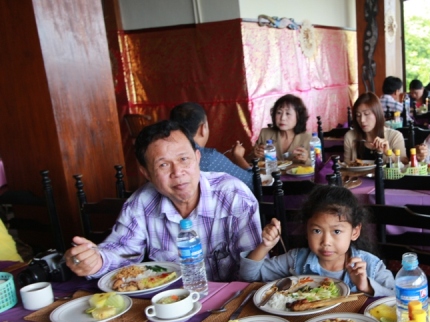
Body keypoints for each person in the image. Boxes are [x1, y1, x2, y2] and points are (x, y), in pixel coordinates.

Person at [63, 120, 262, 281]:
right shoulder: (141, 203)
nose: (178, 172)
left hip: (230, 305)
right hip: (170, 304)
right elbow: (123, 250)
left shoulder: (234, 196)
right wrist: (96, 261)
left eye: (184, 159)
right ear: (146, 173)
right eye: (164, 165)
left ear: (197, 157)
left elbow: (255, 268)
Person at [240, 185, 395, 296]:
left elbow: (398, 298)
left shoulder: (371, 266)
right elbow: (249, 276)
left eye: (336, 231)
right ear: (306, 231)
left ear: (355, 232)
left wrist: (366, 286)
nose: (326, 241)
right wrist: (265, 246)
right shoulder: (295, 260)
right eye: (317, 231)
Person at [169, 102, 253, 190]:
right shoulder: (209, 158)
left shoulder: (166, 155)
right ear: (203, 128)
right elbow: (252, 183)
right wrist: (238, 157)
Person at [343, 92, 408, 165]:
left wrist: (388, 152)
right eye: (358, 115)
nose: (362, 120)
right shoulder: (350, 137)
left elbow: (405, 164)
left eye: (366, 114)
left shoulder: (395, 136)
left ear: (377, 114)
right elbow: (346, 167)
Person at [248, 94, 311, 166]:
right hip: (270, 173)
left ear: (299, 117)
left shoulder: (308, 138)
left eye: (288, 113)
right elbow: (249, 163)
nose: (282, 118)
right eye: (279, 113)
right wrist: (255, 155)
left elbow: (318, 166)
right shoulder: (265, 134)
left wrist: (306, 160)